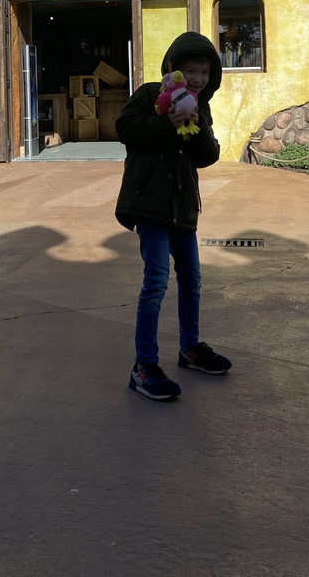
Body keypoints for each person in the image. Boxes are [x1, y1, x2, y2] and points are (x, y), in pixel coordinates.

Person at [115, 31, 232, 400]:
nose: (198, 78)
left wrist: (192, 123)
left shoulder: (202, 106)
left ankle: (190, 348)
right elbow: (126, 129)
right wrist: (168, 120)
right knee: (156, 283)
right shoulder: (150, 94)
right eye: (191, 70)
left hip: (182, 207)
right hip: (150, 205)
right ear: (173, 69)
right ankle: (143, 367)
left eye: (205, 72)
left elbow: (207, 154)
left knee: (192, 281)